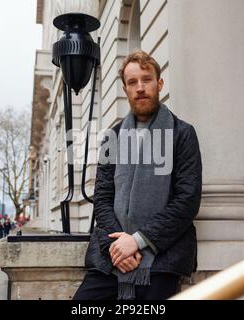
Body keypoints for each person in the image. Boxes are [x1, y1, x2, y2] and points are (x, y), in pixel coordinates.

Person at [73, 50, 202, 300]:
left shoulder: (182, 134)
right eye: (133, 82)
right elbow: (102, 196)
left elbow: (187, 200)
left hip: (161, 257)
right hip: (111, 255)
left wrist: (139, 240)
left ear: (159, 83)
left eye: (146, 79)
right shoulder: (113, 136)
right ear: (125, 89)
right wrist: (116, 246)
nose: (140, 87)